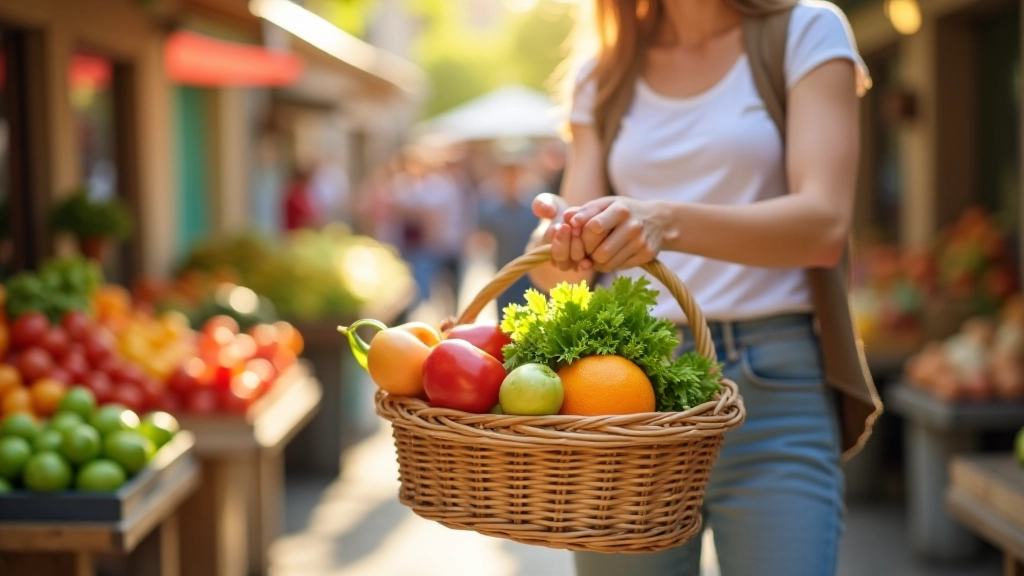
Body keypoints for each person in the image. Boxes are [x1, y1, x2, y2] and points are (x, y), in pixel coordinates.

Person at [526, 0, 868, 574]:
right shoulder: (604, 72)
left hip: (772, 388)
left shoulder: (807, 31)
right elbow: (559, 272)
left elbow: (824, 226)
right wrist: (562, 232)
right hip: (625, 394)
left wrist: (663, 222)